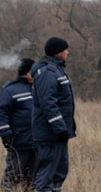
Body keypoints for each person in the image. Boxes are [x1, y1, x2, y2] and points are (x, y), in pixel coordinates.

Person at [32, 37, 76, 192]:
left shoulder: (56, 69)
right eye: (65, 50)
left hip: (58, 133)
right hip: (49, 133)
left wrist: (63, 130)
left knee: (59, 173)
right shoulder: (46, 71)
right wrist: (59, 128)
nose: (67, 52)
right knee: (46, 176)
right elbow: (48, 103)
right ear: (58, 52)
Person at [0, 58, 37, 190]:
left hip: (37, 142)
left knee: (32, 179)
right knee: (13, 175)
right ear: (27, 72)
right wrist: (6, 134)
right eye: (34, 71)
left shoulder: (37, 88)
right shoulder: (10, 90)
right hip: (19, 142)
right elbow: (1, 113)